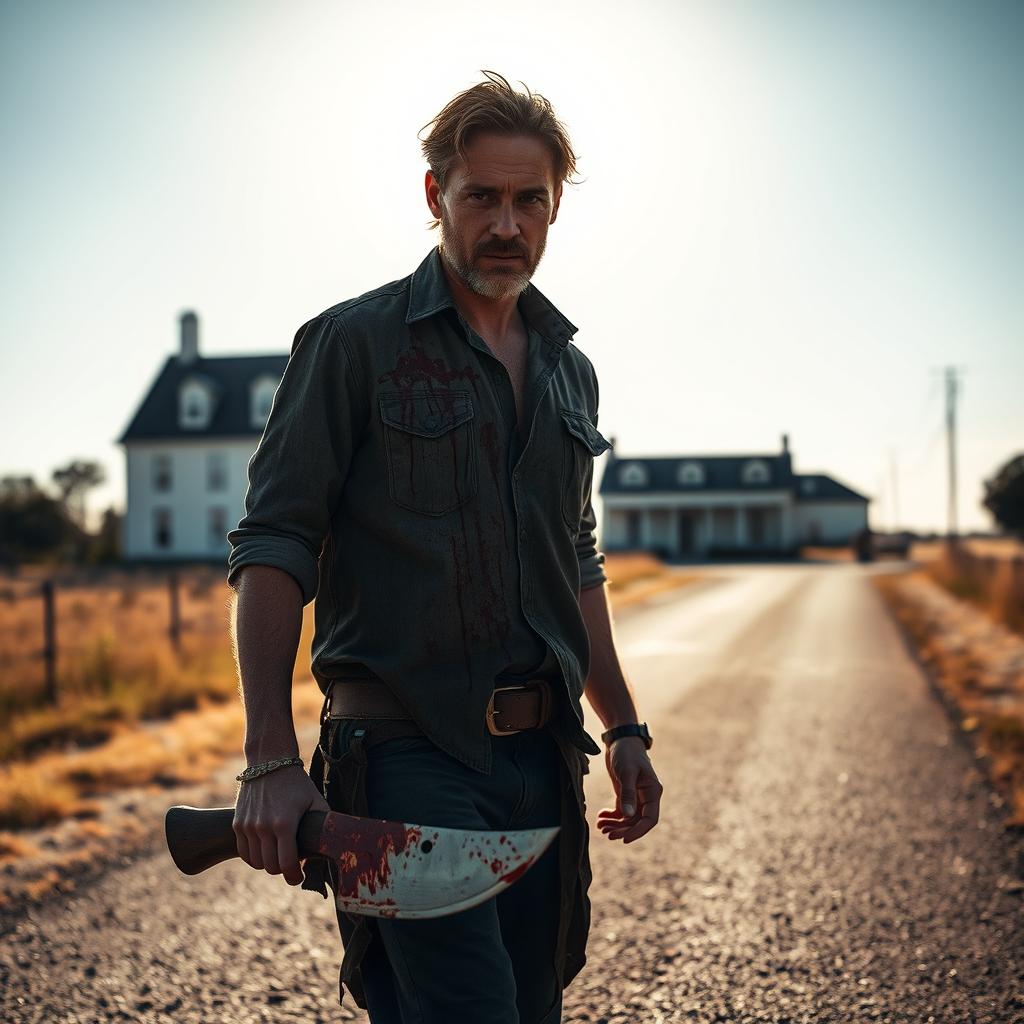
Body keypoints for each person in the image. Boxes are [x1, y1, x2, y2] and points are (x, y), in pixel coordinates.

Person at [225, 70, 663, 1024]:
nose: (506, 224)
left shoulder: (569, 370)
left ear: (553, 208)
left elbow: (574, 563)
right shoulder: (351, 344)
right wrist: (268, 754)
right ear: (437, 198)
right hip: (403, 758)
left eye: (529, 201)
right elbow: (273, 544)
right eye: (482, 198)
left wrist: (624, 728)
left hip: (545, 759)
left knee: (533, 1006)